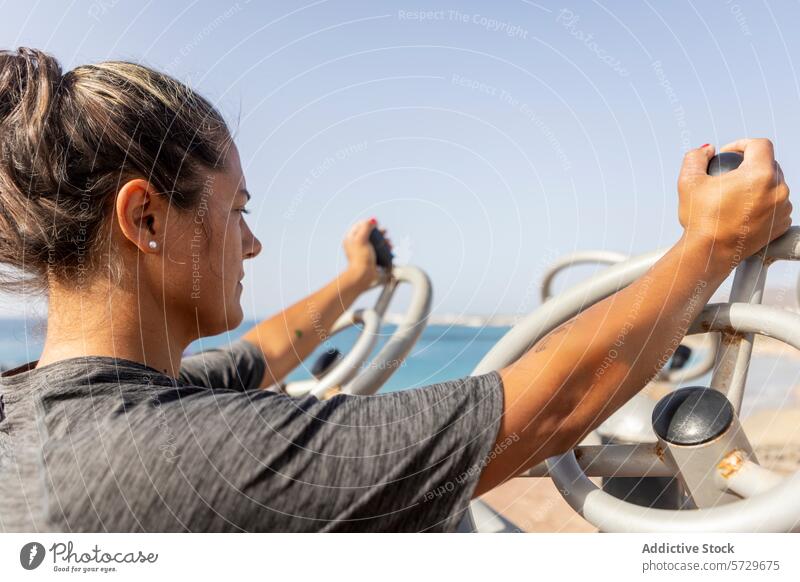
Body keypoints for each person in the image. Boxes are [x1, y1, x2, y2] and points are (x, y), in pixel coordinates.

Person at [0, 48, 791, 532]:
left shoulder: (54, 410)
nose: (252, 242)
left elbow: (262, 355)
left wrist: (356, 280)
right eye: (235, 210)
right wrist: (714, 241)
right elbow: (550, 402)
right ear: (144, 217)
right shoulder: (184, 453)